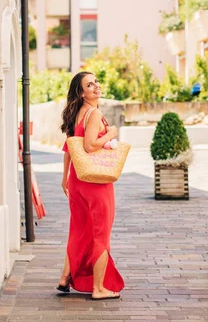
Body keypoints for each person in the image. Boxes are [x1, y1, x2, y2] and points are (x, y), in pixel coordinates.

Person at [57, 71, 124, 300]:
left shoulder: (76, 114)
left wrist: (65, 176)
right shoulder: (94, 113)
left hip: (77, 180)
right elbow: (89, 145)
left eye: (96, 82)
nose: (96, 86)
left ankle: (65, 277)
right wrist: (111, 133)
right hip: (96, 181)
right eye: (89, 84)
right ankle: (98, 288)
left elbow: (69, 147)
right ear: (81, 92)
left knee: (78, 230)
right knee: (100, 234)